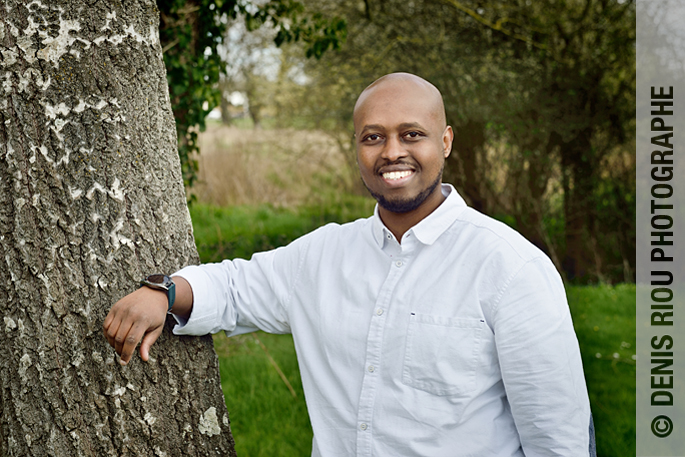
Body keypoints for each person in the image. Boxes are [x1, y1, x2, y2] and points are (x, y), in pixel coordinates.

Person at [104, 73, 595, 456]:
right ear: (357, 147)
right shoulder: (322, 257)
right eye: (373, 137)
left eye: (412, 134)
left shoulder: (510, 267)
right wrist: (163, 293)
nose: (393, 152)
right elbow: (234, 287)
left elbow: (559, 439)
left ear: (445, 142)